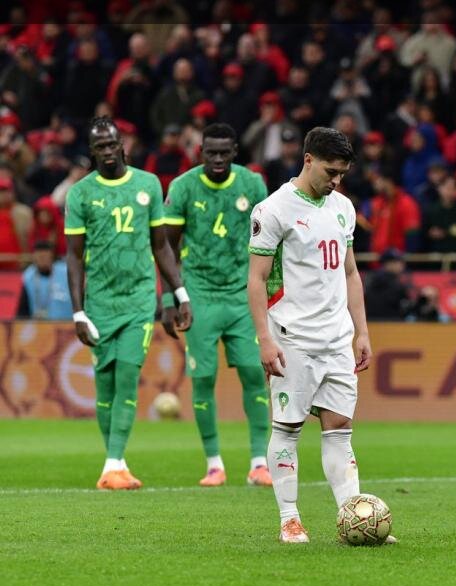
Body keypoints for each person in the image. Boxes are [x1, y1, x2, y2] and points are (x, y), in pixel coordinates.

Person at [247, 127, 394, 545]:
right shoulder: (272, 210)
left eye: (342, 173)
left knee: (340, 427)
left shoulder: (343, 207)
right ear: (308, 159)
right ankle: (289, 519)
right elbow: (256, 280)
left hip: (336, 339)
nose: (336, 180)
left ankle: (354, 517)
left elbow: (350, 272)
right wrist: (264, 339)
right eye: (331, 171)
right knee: (287, 427)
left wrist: (361, 332)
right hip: (292, 336)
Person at [65, 116, 192, 490]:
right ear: (92, 152)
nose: (108, 151)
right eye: (100, 146)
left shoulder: (147, 184)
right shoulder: (80, 194)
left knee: (126, 376)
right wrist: (78, 311)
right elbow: (74, 257)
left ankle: (114, 463)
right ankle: (114, 465)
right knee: (105, 387)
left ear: (123, 145)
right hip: (100, 303)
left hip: (138, 299)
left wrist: (179, 293)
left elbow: (161, 246)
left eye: (112, 144)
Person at [162, 122, 272, 488]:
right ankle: (214, 465)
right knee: (204, 378)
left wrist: (273, 290)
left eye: (225, 153)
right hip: (200, 295)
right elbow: (166, 247)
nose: (219, 159)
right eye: (212, 153)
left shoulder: (252, 184)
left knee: (254, 374)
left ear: (235, 152)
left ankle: (259, 463)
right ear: (201, 153)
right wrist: (169, 298)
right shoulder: (183, 187)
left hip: (242, 295)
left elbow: (269, 240)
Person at [17, 240, 72, 319]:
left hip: (67, 323)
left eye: (45, 257)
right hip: (40, 324)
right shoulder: (28, 276)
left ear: (52, 257)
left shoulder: (66, 272)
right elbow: (23, 309)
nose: (42, 260)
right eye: (40, 257)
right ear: (34, 258)